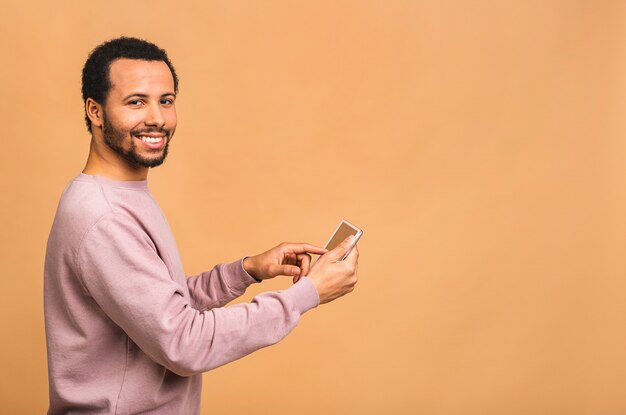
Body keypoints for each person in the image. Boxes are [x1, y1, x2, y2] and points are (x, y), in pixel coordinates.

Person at [43, 36, 359, 414]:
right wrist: (307, 293)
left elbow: (158, 309)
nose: (157, 118)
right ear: (95, 111)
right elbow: (183, 342)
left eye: (166, 100)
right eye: (136, 101)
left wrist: (247, 270)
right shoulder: (103, 214)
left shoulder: (121, 193)